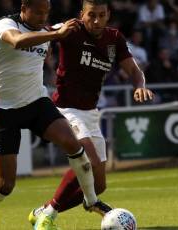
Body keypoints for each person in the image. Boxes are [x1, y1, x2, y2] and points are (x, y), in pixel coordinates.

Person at [0, 1, 110, 229]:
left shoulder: (47, 31)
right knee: (6, 185)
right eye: (38, 11)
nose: (42, 16)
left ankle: (92, 201)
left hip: (36, 103)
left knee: (73, 143)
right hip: (4, 109)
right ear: (24, 7)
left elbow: (78, 27)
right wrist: (54, 35)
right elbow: (18, 41)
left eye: (46, 12)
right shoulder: (6, 24)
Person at [29, 1, 154, 229]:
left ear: (108, 15)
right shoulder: (71, 29)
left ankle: (42, 210)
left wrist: (139, 85)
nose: (96, 21)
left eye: (101, 15)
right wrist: (52, 33)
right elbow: (38, 33)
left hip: (90, 113)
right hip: (65, 110)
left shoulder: (114, 38)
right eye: (91, 15)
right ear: (82, 15)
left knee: (98, 185)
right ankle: (48, 216)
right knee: (89, 161)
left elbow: (134, 70)